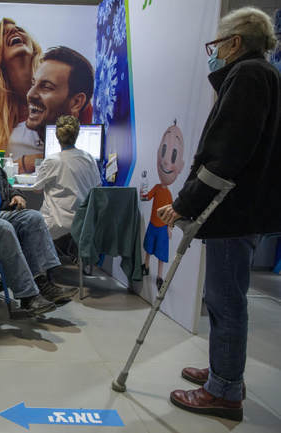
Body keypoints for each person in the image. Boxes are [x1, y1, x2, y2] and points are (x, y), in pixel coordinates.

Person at [157, 7, 280, 422]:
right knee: (226, 297)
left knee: (224, 300)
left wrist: (184, 203)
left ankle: (224, 390)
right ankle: (224, 372)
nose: (215, 53)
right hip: (246, 208)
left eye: (218, 44)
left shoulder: (247, 76)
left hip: (232, 210)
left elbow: (224, 154)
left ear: (235, 42)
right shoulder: (265, 75)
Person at [0, 113, 79, 316]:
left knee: (33, 217)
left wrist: (16, 195)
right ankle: (27, 297)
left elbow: (3, 184)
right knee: (4, 228)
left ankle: (44, 282)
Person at [15, 46, 95, 173]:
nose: (30, 94)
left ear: (76, 102)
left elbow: (40, 183)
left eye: (46, 87)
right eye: (33, 84)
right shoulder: (16, 138)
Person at [32, 115, 101, 260]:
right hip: (83, 223)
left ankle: (41, 266)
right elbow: (97, 187)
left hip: (57, 223)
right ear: (77, 135)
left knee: (29, 221)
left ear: (57, 136)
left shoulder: (52, 161)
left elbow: (37, 189)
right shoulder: (89, 159)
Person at [0, 18, 42, 154]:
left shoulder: (63, 91)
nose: (14, 31)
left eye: (19, 29)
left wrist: (27, 162)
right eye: (4, 33)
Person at [141, 121, 185, 289]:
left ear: (180, 166)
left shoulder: (169, 195)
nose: (166, 162)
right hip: (153, 225)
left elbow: (172, 213)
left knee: (160, 253)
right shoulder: (157, 188)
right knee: (148, 248)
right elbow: (147, 197)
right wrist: (143, 194)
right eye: (164, 151)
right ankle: (146, 267)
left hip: (161, 228)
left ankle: (159, 277)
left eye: (173, 155)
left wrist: (170, 228)